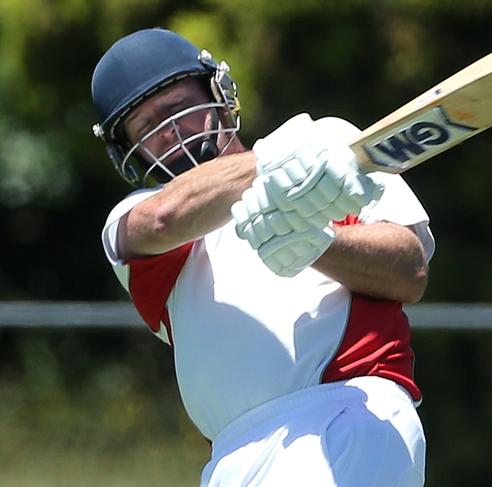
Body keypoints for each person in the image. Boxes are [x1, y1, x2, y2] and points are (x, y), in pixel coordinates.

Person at [91, 27, 435, 487]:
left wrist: (319, 246)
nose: (171, 132)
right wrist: (281, 161)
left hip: (346, 412)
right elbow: (162, 219)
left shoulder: (329, 140)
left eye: (178, 108)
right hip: (230, 458)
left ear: (218, 95)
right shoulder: (134, 219)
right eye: (147, 127)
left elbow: (409, 272)